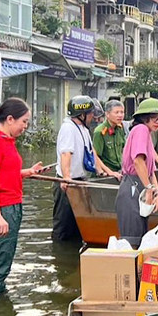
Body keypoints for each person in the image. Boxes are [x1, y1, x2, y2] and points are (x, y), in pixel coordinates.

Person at [0, 98, 44, 295]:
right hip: (1, 210)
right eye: (24, 121)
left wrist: (27, 172)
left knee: (2, 261)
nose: (25, 126)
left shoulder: (7, 142)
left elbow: (4, 173)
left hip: (11, 207)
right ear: (9, 119)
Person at [116, 98, 158, 246]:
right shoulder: (141, 130)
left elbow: (150, 171)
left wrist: (157, 192)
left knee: (141, 238)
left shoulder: (148, 133)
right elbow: (138, 162)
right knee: (132, 241)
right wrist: (149, 189)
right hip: (132, 187)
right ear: (144, 118)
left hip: (140, 187)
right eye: (154, 118)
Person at [53, 95, 98, 242]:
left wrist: (105, 170)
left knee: (78, 225)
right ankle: (59, 256)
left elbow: (92, 152)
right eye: (90, 113)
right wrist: (66, 177)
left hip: (79, 180)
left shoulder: (83, 128)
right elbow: (66, 153)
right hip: (68, 182)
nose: (93, 116)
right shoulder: (68, 128)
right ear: (82, 114)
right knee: (63, 225)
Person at [92, 100, 126, 181]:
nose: (120, 115)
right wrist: (109, 172)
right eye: (116, 112)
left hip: (119, 172)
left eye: (122, 112)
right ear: (107, 114)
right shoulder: (100, 132)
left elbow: (123, 149)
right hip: (105, 175)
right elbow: (95, 157)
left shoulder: (120, 128)